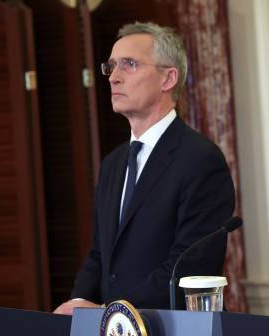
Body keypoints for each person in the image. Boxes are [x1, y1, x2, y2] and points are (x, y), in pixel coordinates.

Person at [54, 22, 235, 315]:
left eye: (129, 65)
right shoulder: (113, 163)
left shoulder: (201, 160)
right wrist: (77, 303)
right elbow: (100, 255)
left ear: (168, 78)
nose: (113, 77)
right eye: (111, 67)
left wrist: (107, 311)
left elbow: (187, 267)